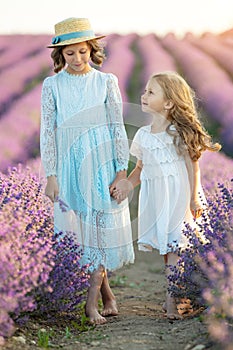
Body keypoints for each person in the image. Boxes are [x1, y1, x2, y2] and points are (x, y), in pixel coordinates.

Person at [40, 17, 134, 325]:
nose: (77, 59)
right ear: (60, 55)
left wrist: (121, 172)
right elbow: (47, 132)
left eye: (82, 52)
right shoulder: (51, 85)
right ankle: (108, 294)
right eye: (70, 54)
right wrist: (51, 174)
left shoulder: (106, 82)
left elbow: (117, 128)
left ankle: (90, 304)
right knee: (81, 232)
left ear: (91, 49)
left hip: (101, 161)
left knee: (99, 231)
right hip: (68, 163)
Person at [113, 71, 221, 320]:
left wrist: (194, 197)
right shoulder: (143, 134)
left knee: (175, 246)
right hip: (155, 196)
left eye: (151, 92)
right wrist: (126, 186)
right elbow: (140, 168)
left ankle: (172, 301)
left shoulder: (177, 132)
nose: (144, 95)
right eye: (145, 91)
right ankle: (178, 296)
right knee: (167, 247)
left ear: (169, 102)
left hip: (178, 196)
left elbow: (193, 166)